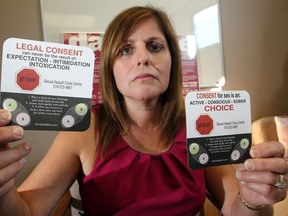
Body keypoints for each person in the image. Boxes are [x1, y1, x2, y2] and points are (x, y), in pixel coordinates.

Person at [0, 5, 287, 216]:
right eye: (125, 50)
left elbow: (238, 207)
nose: (143, 59)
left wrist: (255, 199)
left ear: (172, 62)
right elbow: (25, 210)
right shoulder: (85, 129)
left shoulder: (200, 123)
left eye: (154, 46)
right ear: (110, 69)